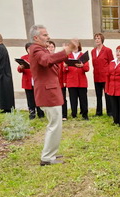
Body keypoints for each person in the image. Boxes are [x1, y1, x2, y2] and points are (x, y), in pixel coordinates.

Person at [29, 24, 78, 166]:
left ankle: (51, 154)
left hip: (50, 92)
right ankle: (47, 157)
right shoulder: (36, 49)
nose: (48, 37)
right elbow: (47, 60)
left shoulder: (40, 49)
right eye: (45, 35)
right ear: (35, 37)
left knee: (55, 124)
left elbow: (50, 60)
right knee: (54, 125)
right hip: (47, 93)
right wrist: (67, 50)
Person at [17, 42, 44, 119]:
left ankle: (40, 113)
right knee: (30, 98)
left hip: (37, 80)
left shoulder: (38, 57)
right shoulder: (24, 57)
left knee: (38, 97)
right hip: (27, 81)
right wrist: (21, 67)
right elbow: (19, 70)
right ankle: (32, 113)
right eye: (28, 49)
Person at [63, 41, 89, 120]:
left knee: (83, 99)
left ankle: (84, 114)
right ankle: (74, 113)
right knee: (73, 99)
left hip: (81, 81)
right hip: (71, 81)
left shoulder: (83, 55)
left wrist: (82, 66)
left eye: (76, 46)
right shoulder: (68, 56)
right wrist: (66, 66)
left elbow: (87, 68)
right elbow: (64, 70)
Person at [91, 33, 114, 116]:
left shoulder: (107, 50)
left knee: (107, 95)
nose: (97, 40)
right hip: (96, 75)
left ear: (102, 40)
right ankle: (98, 112)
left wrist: (109, 74)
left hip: (105, 76)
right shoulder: (93, 51)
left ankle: (110, 112)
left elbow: (111, 63)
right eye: (96, 38)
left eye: (98, 38)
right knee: (98, 95)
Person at [47, 40, 68, 121]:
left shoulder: (58, 57)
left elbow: (64, 70)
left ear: (54, 48)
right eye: (49, 47)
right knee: (51, 99)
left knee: (62, 98)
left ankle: (64, 115)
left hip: (60, 82)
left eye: (52, 47)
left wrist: (65, 81)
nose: (50, 48)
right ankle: (53, 115)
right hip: (50, 83)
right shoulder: (46, 58)